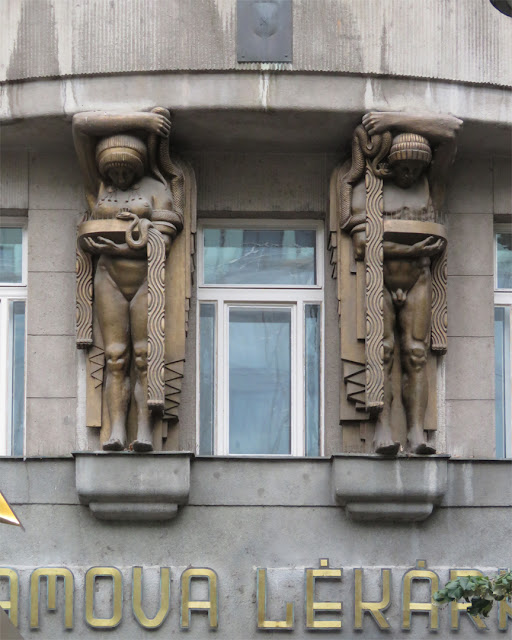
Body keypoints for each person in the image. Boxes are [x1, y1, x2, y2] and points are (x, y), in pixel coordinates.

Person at [342, 111, 461, 455]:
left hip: (418, 282)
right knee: (384, 351)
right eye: (403, 168)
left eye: (415, 169)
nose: (409, 175)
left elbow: (452, 131)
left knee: (416, 353)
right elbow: (364, 243)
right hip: (380, 279)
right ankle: (382, 428)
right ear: (391, 164)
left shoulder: (430, 185)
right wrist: (413, 250)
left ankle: (416, 433)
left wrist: (393, 118)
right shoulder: (370, 187)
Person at [73, 109, 181, 451]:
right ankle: (117, 429)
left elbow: (164, 235)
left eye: (125, 170)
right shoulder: (100, 188)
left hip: (145, 280)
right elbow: (80, 126)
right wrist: (143, 121)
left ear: (137, 165)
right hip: (109, 278)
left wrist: (138, 230)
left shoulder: (156, 190)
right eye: (112, 171)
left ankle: (144, 430)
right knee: (115, 357)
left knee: (143, 356)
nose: (118, 177)